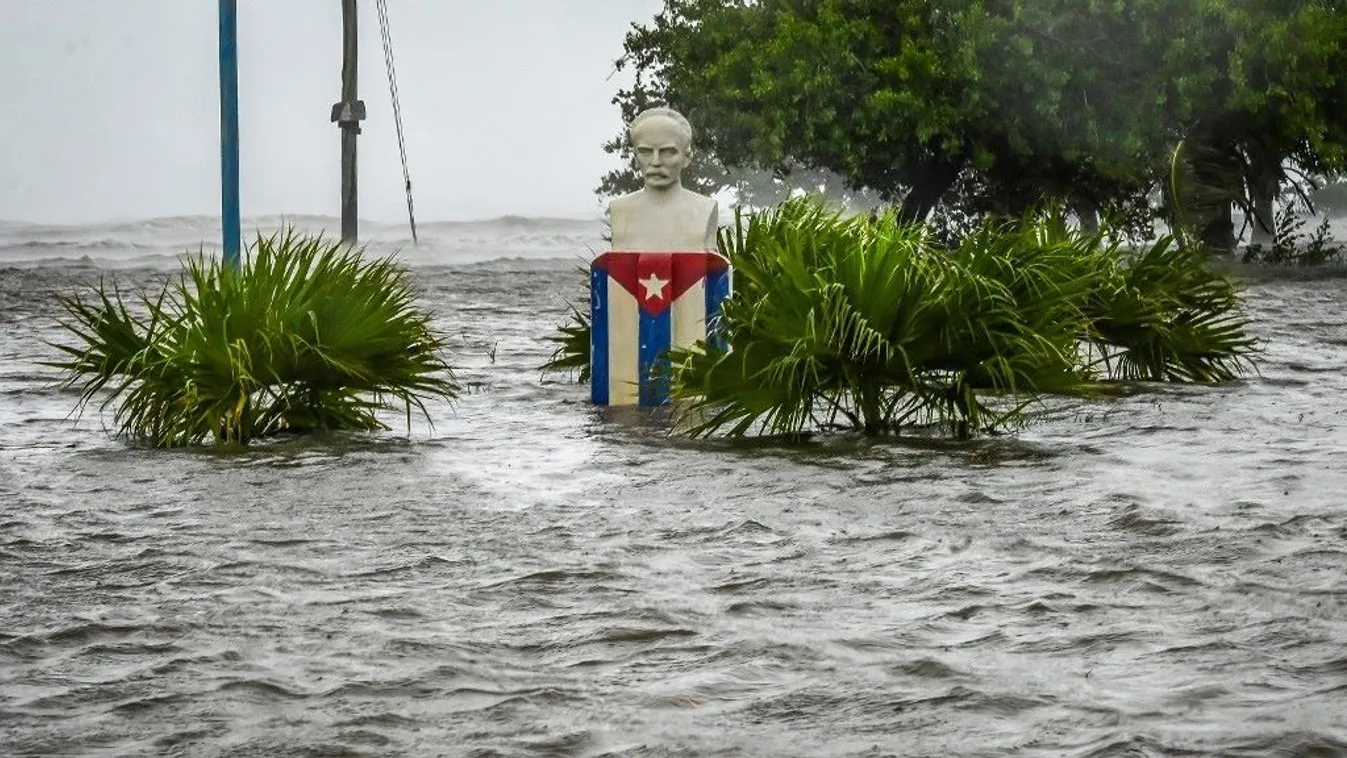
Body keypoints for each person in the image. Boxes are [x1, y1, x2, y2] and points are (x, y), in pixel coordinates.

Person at [607, 107, 719, 252]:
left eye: (667, 152)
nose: (656, 161)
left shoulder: (704, 209)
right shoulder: (619, 210)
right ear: (635, 158)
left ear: (686, 158)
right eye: (646, 152)